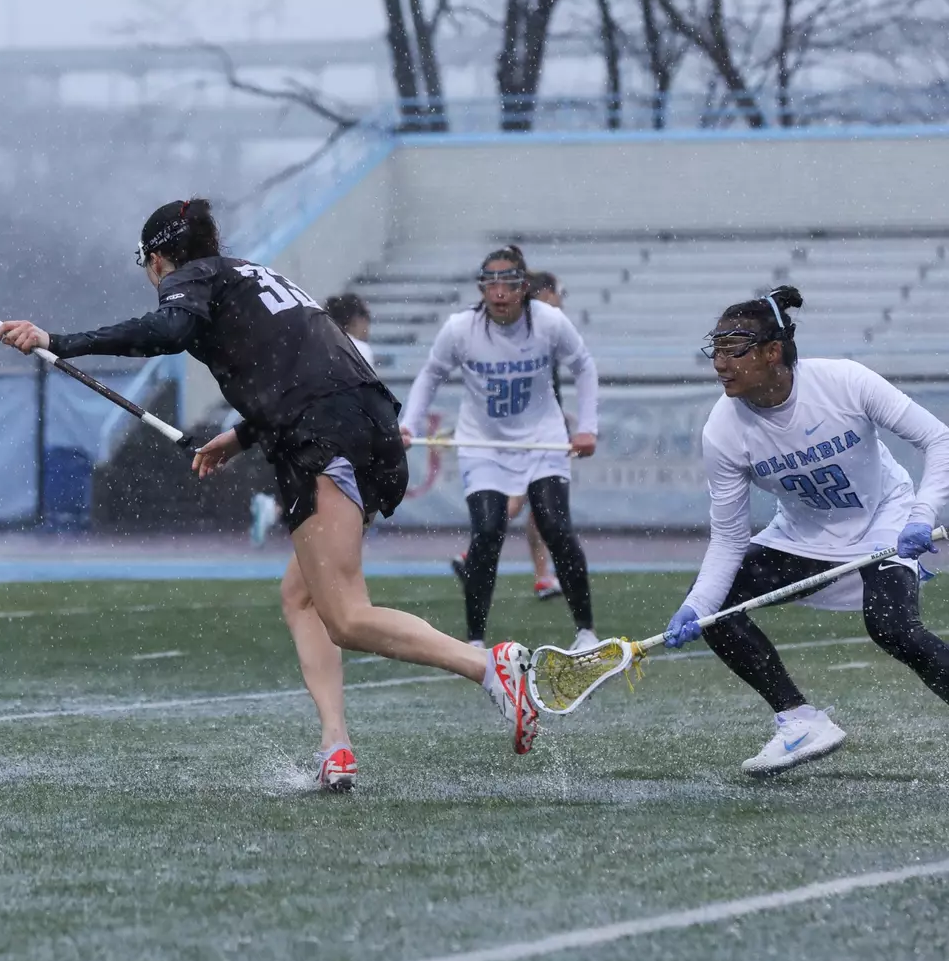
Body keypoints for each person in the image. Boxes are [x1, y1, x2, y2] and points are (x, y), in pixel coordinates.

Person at [0, 199, 541, 789]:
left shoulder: (192, 278)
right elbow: (307, 362)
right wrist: (241, 434)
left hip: (320, 436)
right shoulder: (252, 274)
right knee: (301, 597)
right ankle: (335, 745)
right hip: (367, 422)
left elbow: (169, 330)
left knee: (348, 618)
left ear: (158, 260)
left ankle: (489, 668)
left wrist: (59, 341)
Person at [662, 285, 949, 776]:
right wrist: (699, 606)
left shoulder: (844, 381)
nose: (720, 364)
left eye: (735, 350)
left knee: (892, 629)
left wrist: (923, 514)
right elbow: (730, 538)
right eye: (717, 350)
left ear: (773, 352)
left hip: (886, 518)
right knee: (717, 611)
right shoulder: (723, 431)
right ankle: (799, 720)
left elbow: (937, 438)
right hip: (801, 535)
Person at [399, 246, 601, 653]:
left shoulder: (549, 322)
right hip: (483, 445)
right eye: (490, 284)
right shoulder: (460, 328)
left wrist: (588, 427)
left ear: (524, 287)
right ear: (481, 289)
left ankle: (585, 632)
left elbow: (584, 365)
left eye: (508, 283)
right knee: (488, 531)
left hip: (542, 438)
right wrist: (408, 424)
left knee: (555, 526)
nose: (500, 293)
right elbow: (431, 374)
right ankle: (474, 641)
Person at [451, 270, 566, 601]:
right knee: (521, 499)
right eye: (559, 292)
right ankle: (475, 554)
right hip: (530, 431)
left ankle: (542, 575)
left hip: (537, 427)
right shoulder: (528, 327)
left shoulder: (544, 327)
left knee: (535, 507)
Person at [251, 293, 376, 545]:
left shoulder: (312, 343)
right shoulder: (359, 349)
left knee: (316, 502)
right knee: (340, 511)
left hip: (303, 430)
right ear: (353, 320)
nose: (368, 328)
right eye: (366, 320)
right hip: (338, 439)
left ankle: (276, 509)